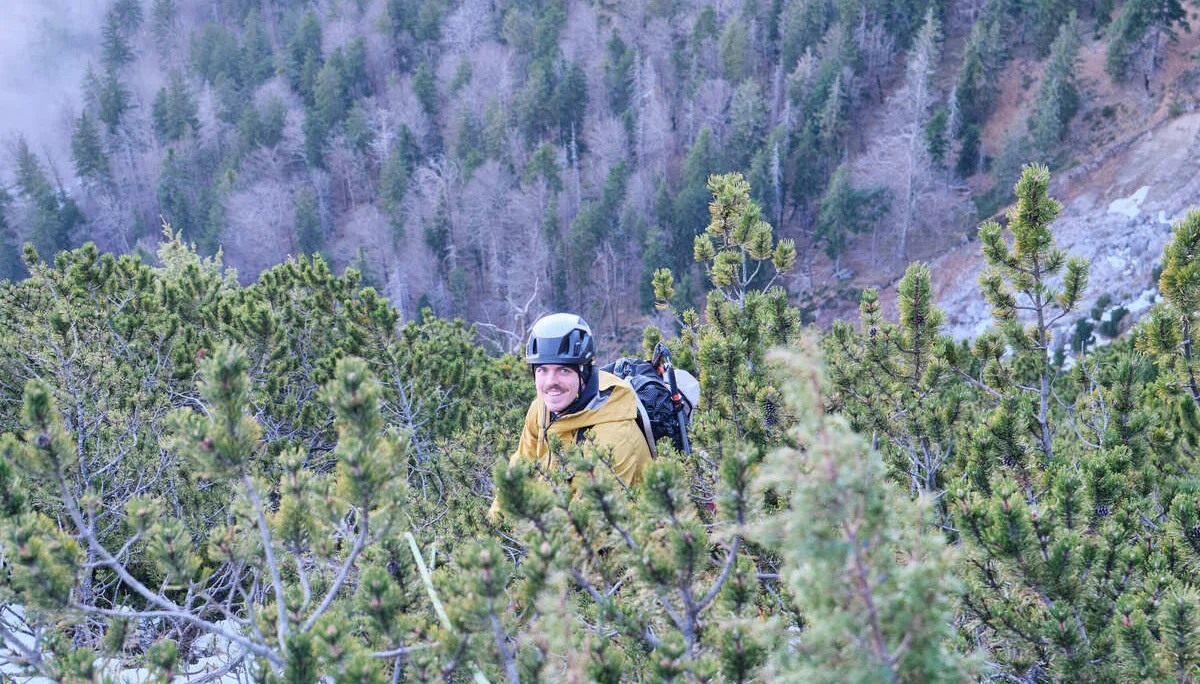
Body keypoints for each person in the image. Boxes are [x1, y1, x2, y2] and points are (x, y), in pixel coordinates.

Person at [490, 313, 653, 518]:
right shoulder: (540, 410)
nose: (551, 382)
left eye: (563, 371)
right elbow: (517, 473)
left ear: (584, 372)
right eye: (542, 370)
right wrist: (492, 536)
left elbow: (591, 526)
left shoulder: (611, 437)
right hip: (554, 526)